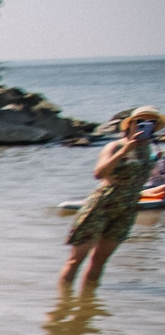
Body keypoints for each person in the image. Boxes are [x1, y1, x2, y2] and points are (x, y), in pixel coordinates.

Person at [60, 105, 158, 293]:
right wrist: (126, 150)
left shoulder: (150, 150)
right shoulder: (115, 146)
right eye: (140, 121)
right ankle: (60, 308)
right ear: (130, 124)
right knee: (76, 260)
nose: (145, 125)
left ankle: (85, 305)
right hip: (102, 205)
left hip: (127, 209)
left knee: (100, 261)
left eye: (151, 122)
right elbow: (99, 173)